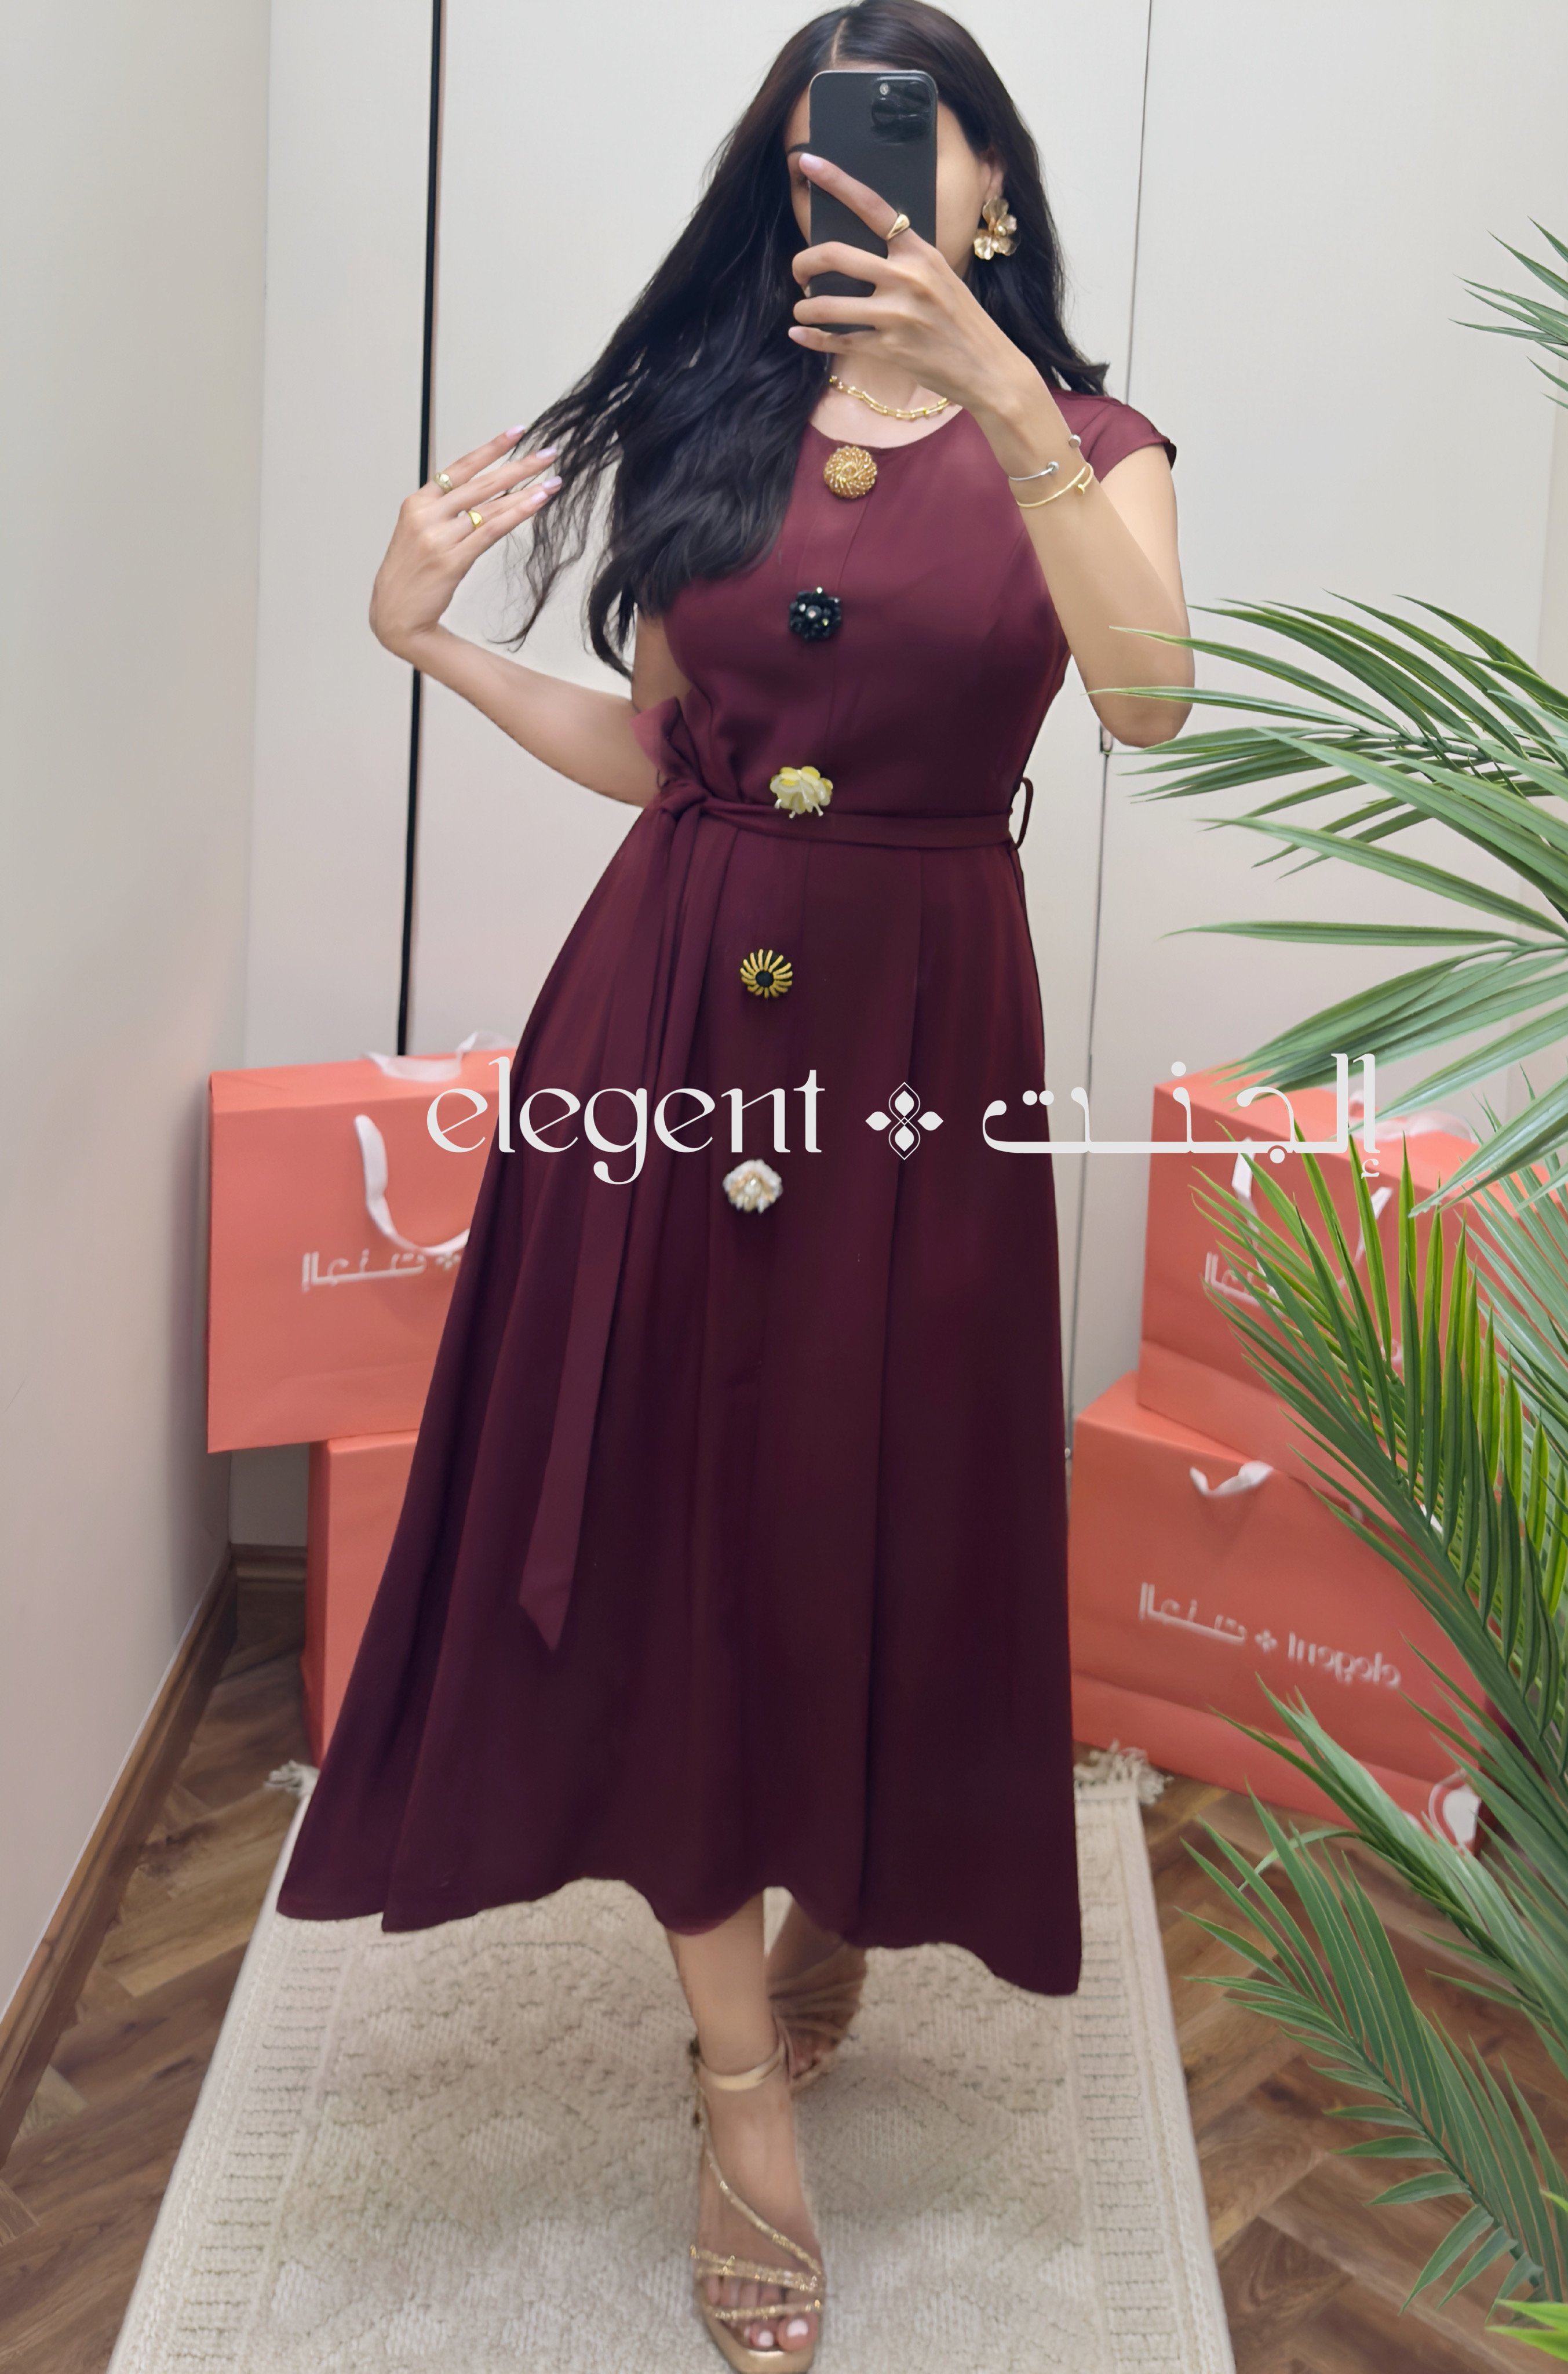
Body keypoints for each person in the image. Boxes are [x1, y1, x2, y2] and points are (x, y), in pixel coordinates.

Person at [275, 3, 1190, 2365]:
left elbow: (1150, 694)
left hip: (917, 1039)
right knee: (671, 1511)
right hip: (665, 1020)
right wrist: (426, 643)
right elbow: (666, 753)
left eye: (905, 144)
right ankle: (734, 2084)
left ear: (992, 184)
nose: (854, 184)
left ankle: (853, 1873)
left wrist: (998, 395)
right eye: (812, 156)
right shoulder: (713, 417)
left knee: (883, 1487)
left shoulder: (1093, 446)